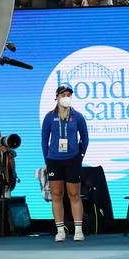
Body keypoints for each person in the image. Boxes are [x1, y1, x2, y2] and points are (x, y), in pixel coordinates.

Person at [41, 85, 90, 242]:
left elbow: (85, 138)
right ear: (57, 97)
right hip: (54, 160)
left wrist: (79, 156)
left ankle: (78, 230)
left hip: (72, 160)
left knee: (74, 194)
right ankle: (60, 230)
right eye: (63, 94)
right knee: (56, 195)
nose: (66, 97)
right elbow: (44, 141)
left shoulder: (77, 116)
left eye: (69, 94)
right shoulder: (49, 117)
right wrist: (47, 159)